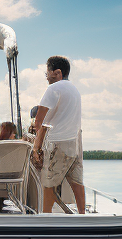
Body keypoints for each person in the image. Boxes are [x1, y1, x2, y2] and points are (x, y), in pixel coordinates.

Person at [30, 55, 85, 214]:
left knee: (48, 184)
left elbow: (39, 122)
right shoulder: (75, 90)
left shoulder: (53, 89)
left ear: (57, 72)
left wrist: (36, 149)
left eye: (47, 72)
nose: (46, 76)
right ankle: (82, 216)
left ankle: (46, 217)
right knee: (76, 182)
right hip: (75, 142)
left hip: (58, 143)